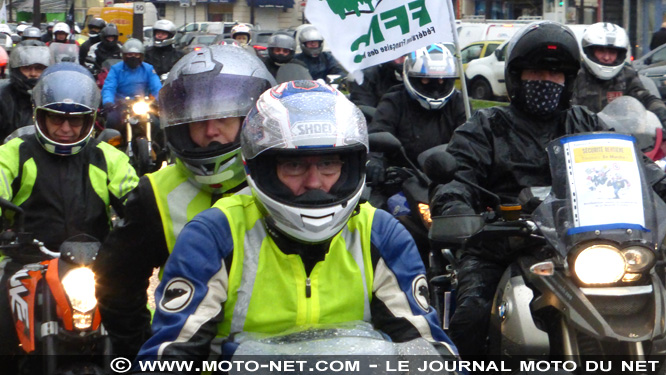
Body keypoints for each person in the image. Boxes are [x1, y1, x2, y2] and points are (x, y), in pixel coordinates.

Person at [135, 80, 457, 365]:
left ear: (350, 166)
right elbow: (169, 354)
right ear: (261, 169)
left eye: (329, 163)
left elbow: (426, 346)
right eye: (293, 165)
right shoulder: (215, 235)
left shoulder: (380, 234)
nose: (314, 182)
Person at [428, 21, 610, 359]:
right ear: (517, 77)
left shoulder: (586, 123)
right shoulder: (486, 127)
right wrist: (457, 212)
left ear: (568, 81)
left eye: (556, 75)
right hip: (501, 246)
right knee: (472, 316)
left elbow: (630, 168)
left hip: (582, 248)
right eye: (537, 71)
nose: (546, 81)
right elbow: (456, 177)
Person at [93, 45, 276, 358]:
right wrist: (147, 347)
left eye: (224, 117)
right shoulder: (157, 191)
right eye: (196, 120)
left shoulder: (288, 176)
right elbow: (116, 283)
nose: (210, 131)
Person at [0, 62, 139, 373]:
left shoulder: (107, 158)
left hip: (96, 265)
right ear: (39, 116)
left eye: (75, 120)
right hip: (25, 264)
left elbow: (137, 197)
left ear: (90, 121)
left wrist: (141, 228)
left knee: (137, 328)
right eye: (56, 118)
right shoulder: (15, 152)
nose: (65, 128)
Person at [369, 44, 467, 167]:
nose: (435, 88)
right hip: (404, 175)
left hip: (448, 176)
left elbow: (470, 141)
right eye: (426, 81)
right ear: (411, 77)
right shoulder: (394, 101)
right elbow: (379, 131)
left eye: (441, 81)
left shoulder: (458, 102)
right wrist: (375, 161)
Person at [572, 22, 666, 125]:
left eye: (612, 52)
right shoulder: (575, 74)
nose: (607, 57)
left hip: (620, 136)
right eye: (601, 51)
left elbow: (645, 97)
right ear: (589, 51)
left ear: (620, 54)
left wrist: (662, 114)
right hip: (583, 136)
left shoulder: (627, 74)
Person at [101, 38, 162, 131]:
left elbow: (156, 86)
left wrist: (159, 99)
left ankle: (154, 144)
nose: (133, 57)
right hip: (120, 105)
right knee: (111, 122)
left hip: (142, 104)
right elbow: (109, 87)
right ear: (124, 56)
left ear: (141, 56)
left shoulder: (148, 69)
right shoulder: (116, 69)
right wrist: (108, 102)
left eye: (136, 55)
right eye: (129, 54)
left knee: (156, 123)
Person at [0, 45, 51, 141]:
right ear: (17, 70)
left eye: (39, 68)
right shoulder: (4, 96)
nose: (33, 73)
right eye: (27, 68)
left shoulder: (54, 95)